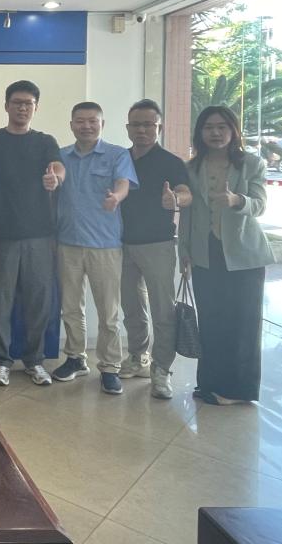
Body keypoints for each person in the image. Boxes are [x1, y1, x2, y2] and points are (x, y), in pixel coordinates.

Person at [179, 106, 273, 406]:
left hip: (245, 255)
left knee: (243, 323)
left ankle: (238, 390)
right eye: (209, 127)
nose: (216, 133)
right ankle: (210, 383)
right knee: (211, 320)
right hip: (206, 254)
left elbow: (260, 205)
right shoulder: (191, 167)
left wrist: (237, 201)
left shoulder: (251, 164)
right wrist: (184, 252)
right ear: (200, 132)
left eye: (222, 126)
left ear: (233, 131)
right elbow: (188, 214)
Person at [0, 81, 64, 387]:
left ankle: (34, 360)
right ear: (6, 106)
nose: (22, 108)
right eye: (17, 102)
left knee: (38, 301)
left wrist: (55, 178)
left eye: (28, 103)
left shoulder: (45, 141)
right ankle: (1, 361)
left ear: (35, 108)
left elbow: (57, 166)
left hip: (39, 235)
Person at [53, 101, 137, 395]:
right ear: (71, 124)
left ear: (102, 124)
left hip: (105, 244)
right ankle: (76, 358)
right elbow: (55, 180)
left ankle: (110, 367)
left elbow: (123, 183)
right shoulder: (61, 155)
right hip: (68, 243)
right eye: (80, 121)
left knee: (108, 312)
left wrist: (117, 196)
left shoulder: (117, 154)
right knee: (70, 307)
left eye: (92, 121)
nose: (86, 126)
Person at [119, 99, 192, 399]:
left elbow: (186, 193)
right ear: (127, 128)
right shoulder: (120, 159)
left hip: (158, 245)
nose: (142, 130)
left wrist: (175, 200)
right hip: (122, 244)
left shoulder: (171, 162)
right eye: (136, 124)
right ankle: (138, 356)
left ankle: (161, 368)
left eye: (149, 124)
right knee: (131, 307)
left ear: (159, 127)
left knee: (163, 310)